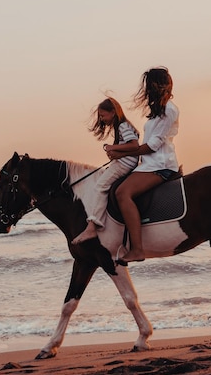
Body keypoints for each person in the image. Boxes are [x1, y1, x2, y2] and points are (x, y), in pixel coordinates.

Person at [108, 67, 180, 263]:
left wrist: (119, 150)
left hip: (160, 165)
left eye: (149, 85)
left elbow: (151, 146)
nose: (146, 90)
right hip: (148, 163)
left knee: (122, 193)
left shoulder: (169, 110)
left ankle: (138, 249)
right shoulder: (158, 110)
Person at [72, 97, 140, 244]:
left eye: (103, 116)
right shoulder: (121, 126)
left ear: (113, 112)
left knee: (100, 187)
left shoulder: (123, 126)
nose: (102, 119)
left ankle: (92, 226)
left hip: (124, 165)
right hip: (123, 162)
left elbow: (134, 145)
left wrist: (112, 147)